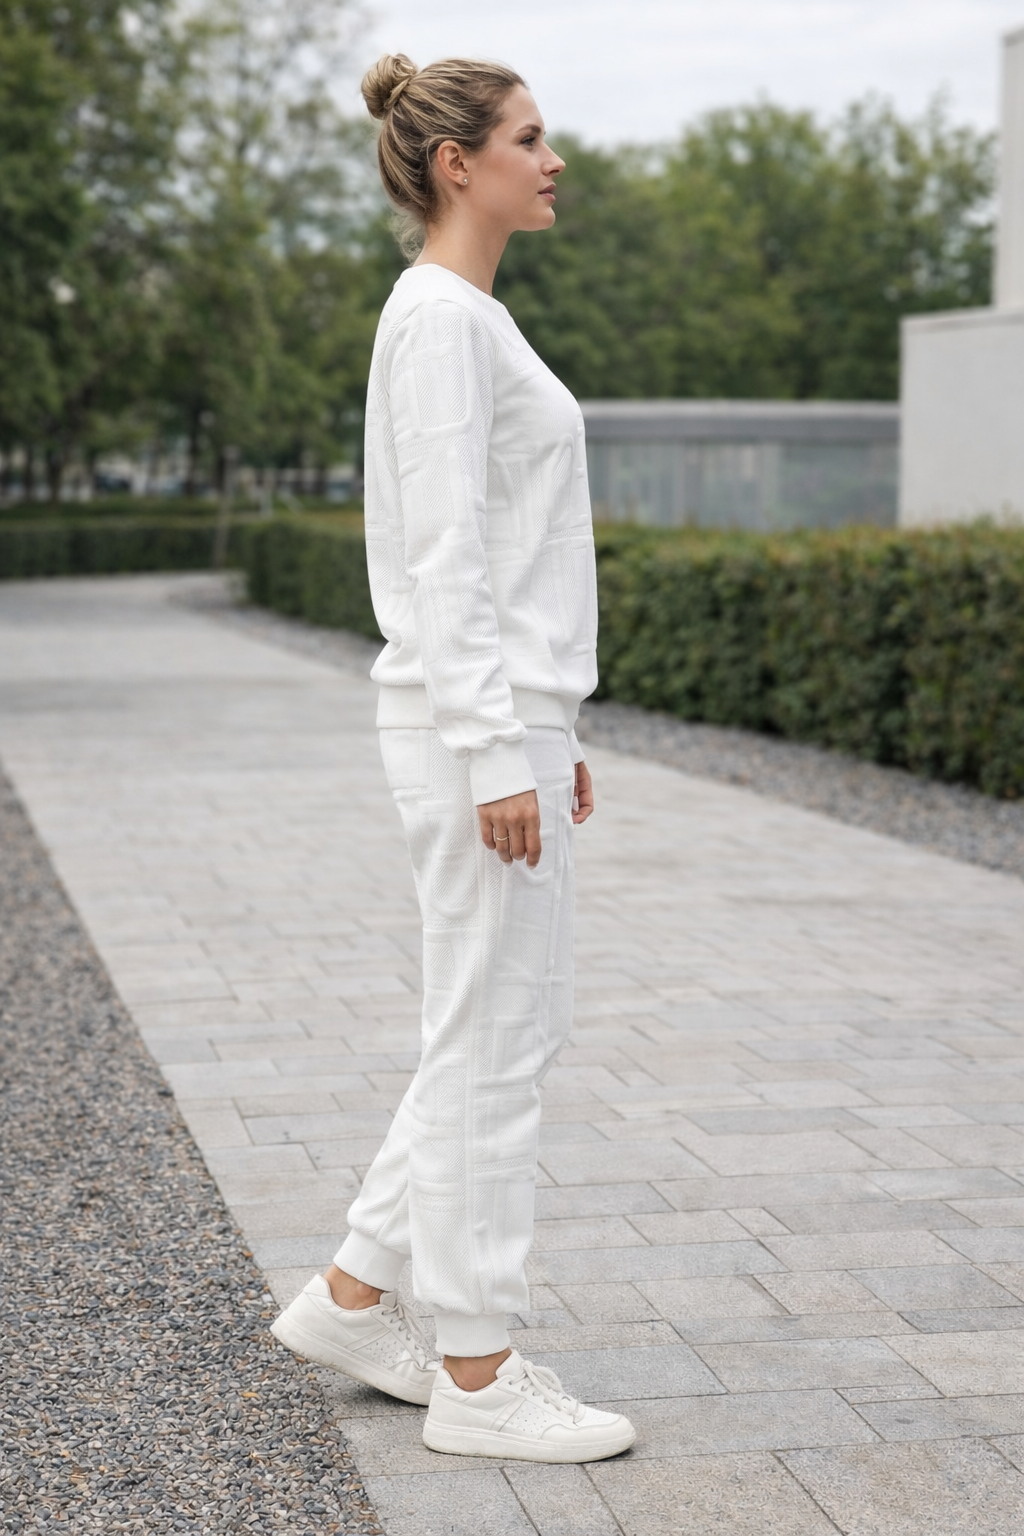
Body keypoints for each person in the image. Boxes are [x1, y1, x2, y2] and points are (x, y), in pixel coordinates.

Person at [271, 51, 636, 1465]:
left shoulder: (468, 319)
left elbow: (505, 556)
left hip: (504, 722)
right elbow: (445, 561)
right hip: (468, 728)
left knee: (491, 1029)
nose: (555, 160)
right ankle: (479, 1373)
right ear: (456, 164)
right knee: (498, 1049)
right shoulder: (439, 319)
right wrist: (496, 745)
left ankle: (359, 1298)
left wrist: (552, 731)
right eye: (530, 139)